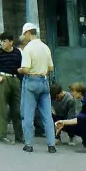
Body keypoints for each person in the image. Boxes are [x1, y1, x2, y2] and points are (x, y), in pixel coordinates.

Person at [18, 22, 56, 153]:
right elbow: (51, 67)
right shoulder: (45, 47)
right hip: (43, 81)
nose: (25, 37)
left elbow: (26, 68)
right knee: (47, 116)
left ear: (28, 33)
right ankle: (51, 145)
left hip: (31, 82)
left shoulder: (28, 48)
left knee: (27, 114)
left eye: (25, 34)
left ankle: (29, 144)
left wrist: (20, 70)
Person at [0, 32, 23, 144]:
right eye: (1, 41)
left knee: (17, 109)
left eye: (5, 41)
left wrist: (20, 80)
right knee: (2, 109)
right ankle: (2, 135)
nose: (2, 43)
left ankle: (19, 136)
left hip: (15, 79)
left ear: (11, 42)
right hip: (3, 79)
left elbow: (20, 67)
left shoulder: (17, 53)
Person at [18, 34, 46, 138]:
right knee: (30, 107)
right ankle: (32, 131)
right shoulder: (23, 52)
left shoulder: (26, 51)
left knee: (30, 106)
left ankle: (36, 129)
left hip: (29, 81)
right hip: (28, 81)